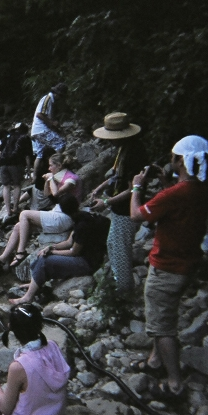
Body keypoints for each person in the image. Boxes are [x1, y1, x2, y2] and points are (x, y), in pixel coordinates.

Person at [129, 135, 208, 401]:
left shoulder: (175, 194)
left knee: (162, 327)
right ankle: (154, 362)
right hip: (187, 262)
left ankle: (174, 385)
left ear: (182, 160)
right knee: (162, 317)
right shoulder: (204, 188)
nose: (170, 160)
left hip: (167, 266)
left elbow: (137, 215)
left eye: (174, 157)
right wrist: (165, 183)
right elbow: (180, 202)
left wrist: (137, 188)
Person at [0, 154, 81, 268]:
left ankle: (20, 252)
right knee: (18, 226)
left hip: (65, 217)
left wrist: (51, 178)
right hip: (57, 214)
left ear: (59, 165)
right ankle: (2, 259)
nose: (49, 168)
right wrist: (47, 181)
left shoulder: (71, 179)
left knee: (24, 214)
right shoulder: (59, 176)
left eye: (51, 166)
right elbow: (48, 194)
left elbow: (56, 193)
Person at [88, 112, 146, 293]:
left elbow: (132, 189)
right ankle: (118, 285)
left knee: (120, 250)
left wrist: (106, 202)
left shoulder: (135, 154)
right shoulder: (123, 149)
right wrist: (98, 188)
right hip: (118, 209)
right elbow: (114, 175)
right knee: (112, 244)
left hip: (127, 211)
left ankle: (123, 291)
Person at [9, 202, 109, 305]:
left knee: (45, 261)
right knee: (42, 256)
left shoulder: (83, 226)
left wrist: (52, 252)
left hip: (86, 263)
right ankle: (34, 284)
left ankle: (27, 297)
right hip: (81, 257)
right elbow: (68, 242)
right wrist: (50, 247)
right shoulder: (82, 217)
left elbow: (73, 252)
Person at [30, 83, 68, 186]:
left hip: (36, 131)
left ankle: (35, 177)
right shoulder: (48, 99)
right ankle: (57, 167)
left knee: (40, 153)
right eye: (60, 96)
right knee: (61, 144)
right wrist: (52, 123)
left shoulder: (49, 100)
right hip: (41, 130)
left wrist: (56, 128)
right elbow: (40, 114)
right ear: (57, 94)